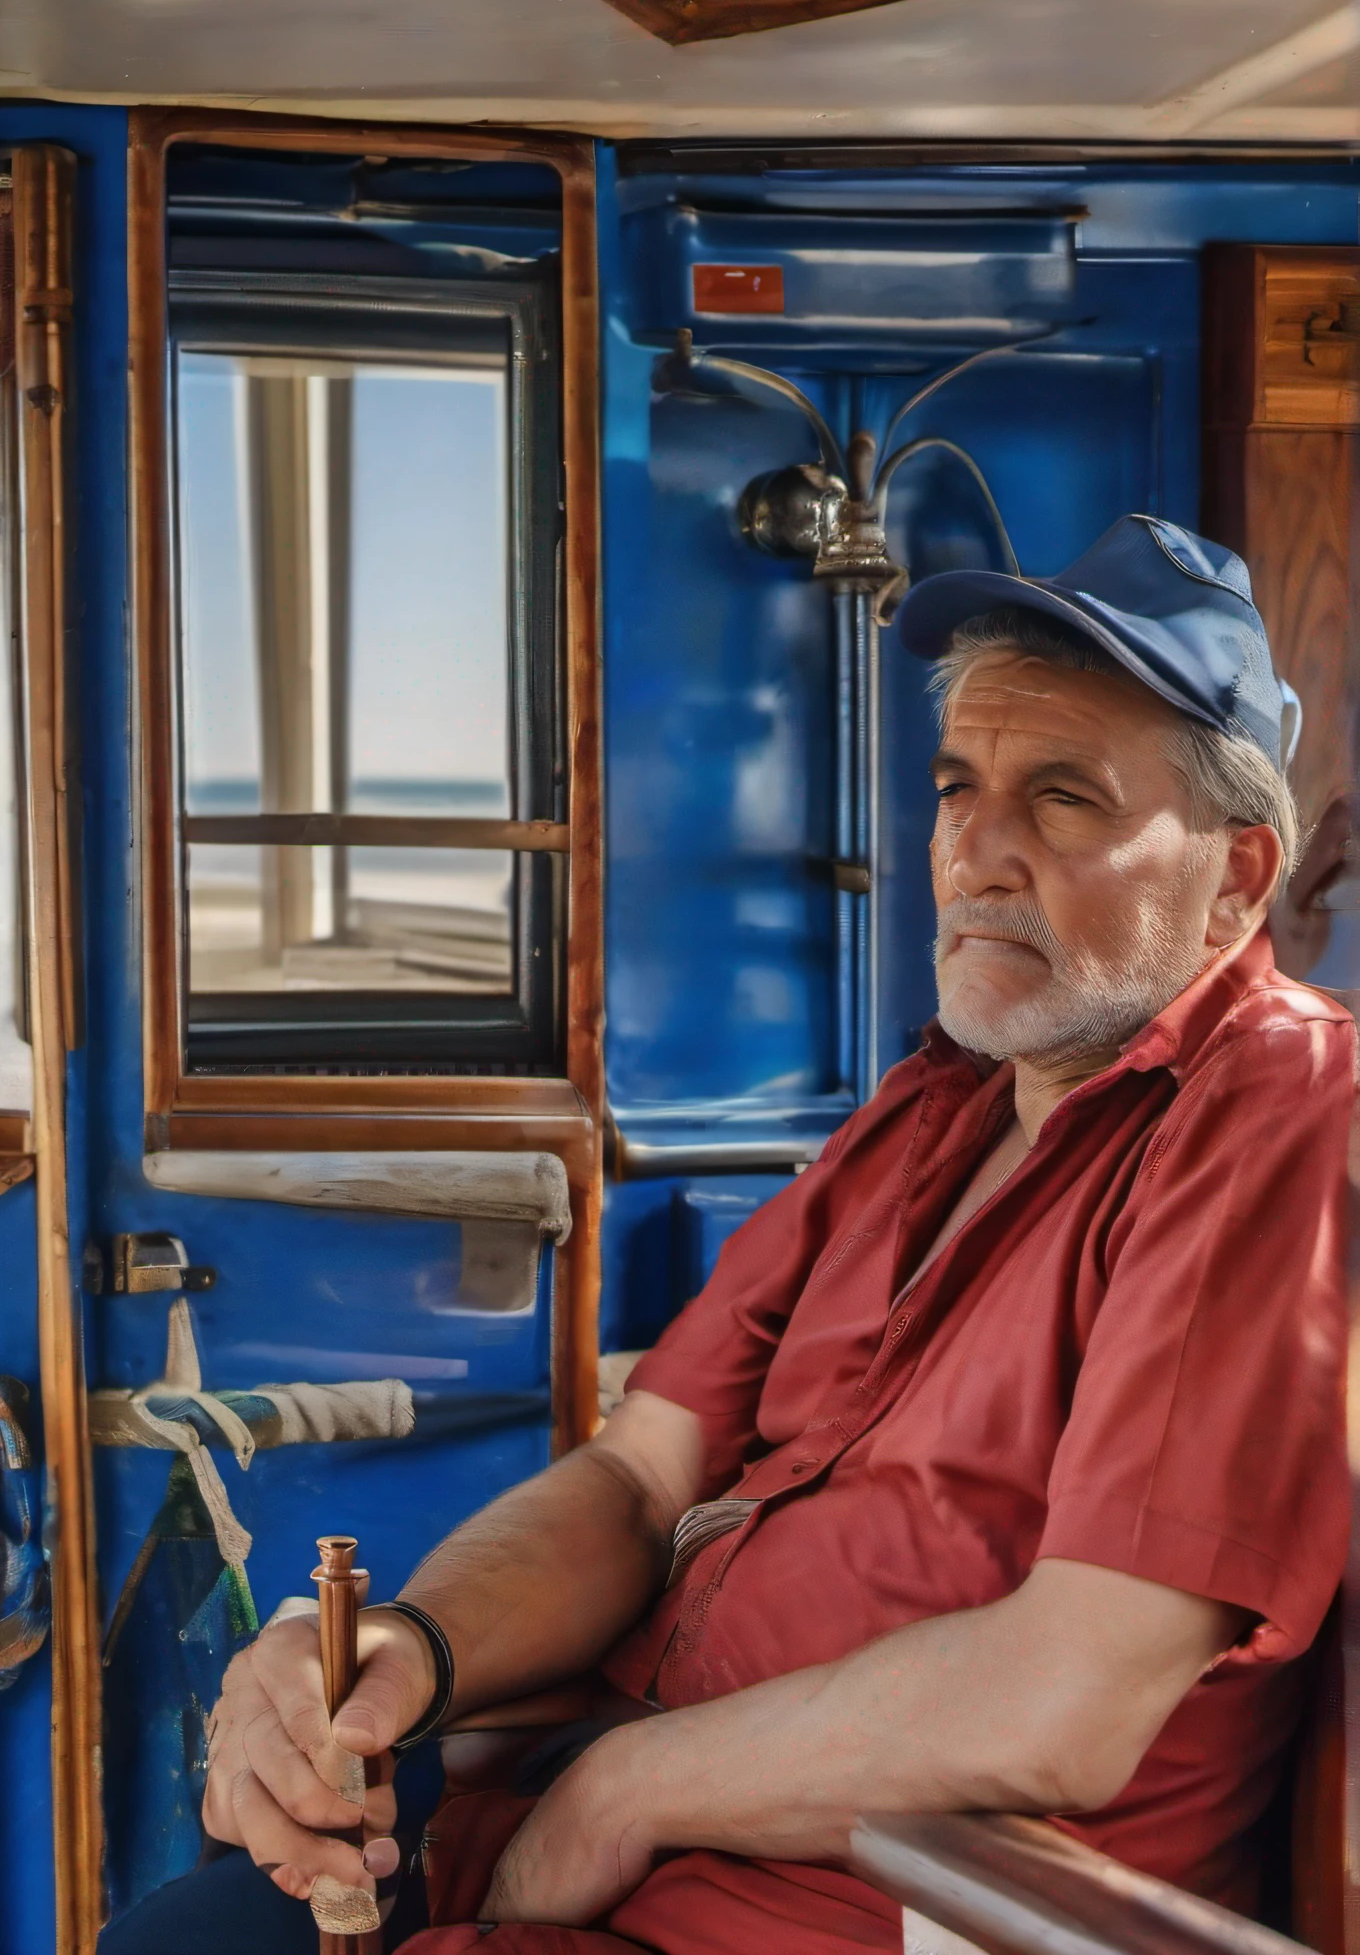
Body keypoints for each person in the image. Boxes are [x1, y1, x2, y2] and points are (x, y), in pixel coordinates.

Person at [102, 514, 1352, 1955]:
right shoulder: (929, 1108)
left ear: (1240, 880)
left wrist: (623, 1792)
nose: (977, 852)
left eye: (1065, 797)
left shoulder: (1277, 1111)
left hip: (841, 1911)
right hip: (577, 1821)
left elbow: (1065, 1699)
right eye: (959, 786)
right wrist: (405, 1658)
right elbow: (642, 1484)